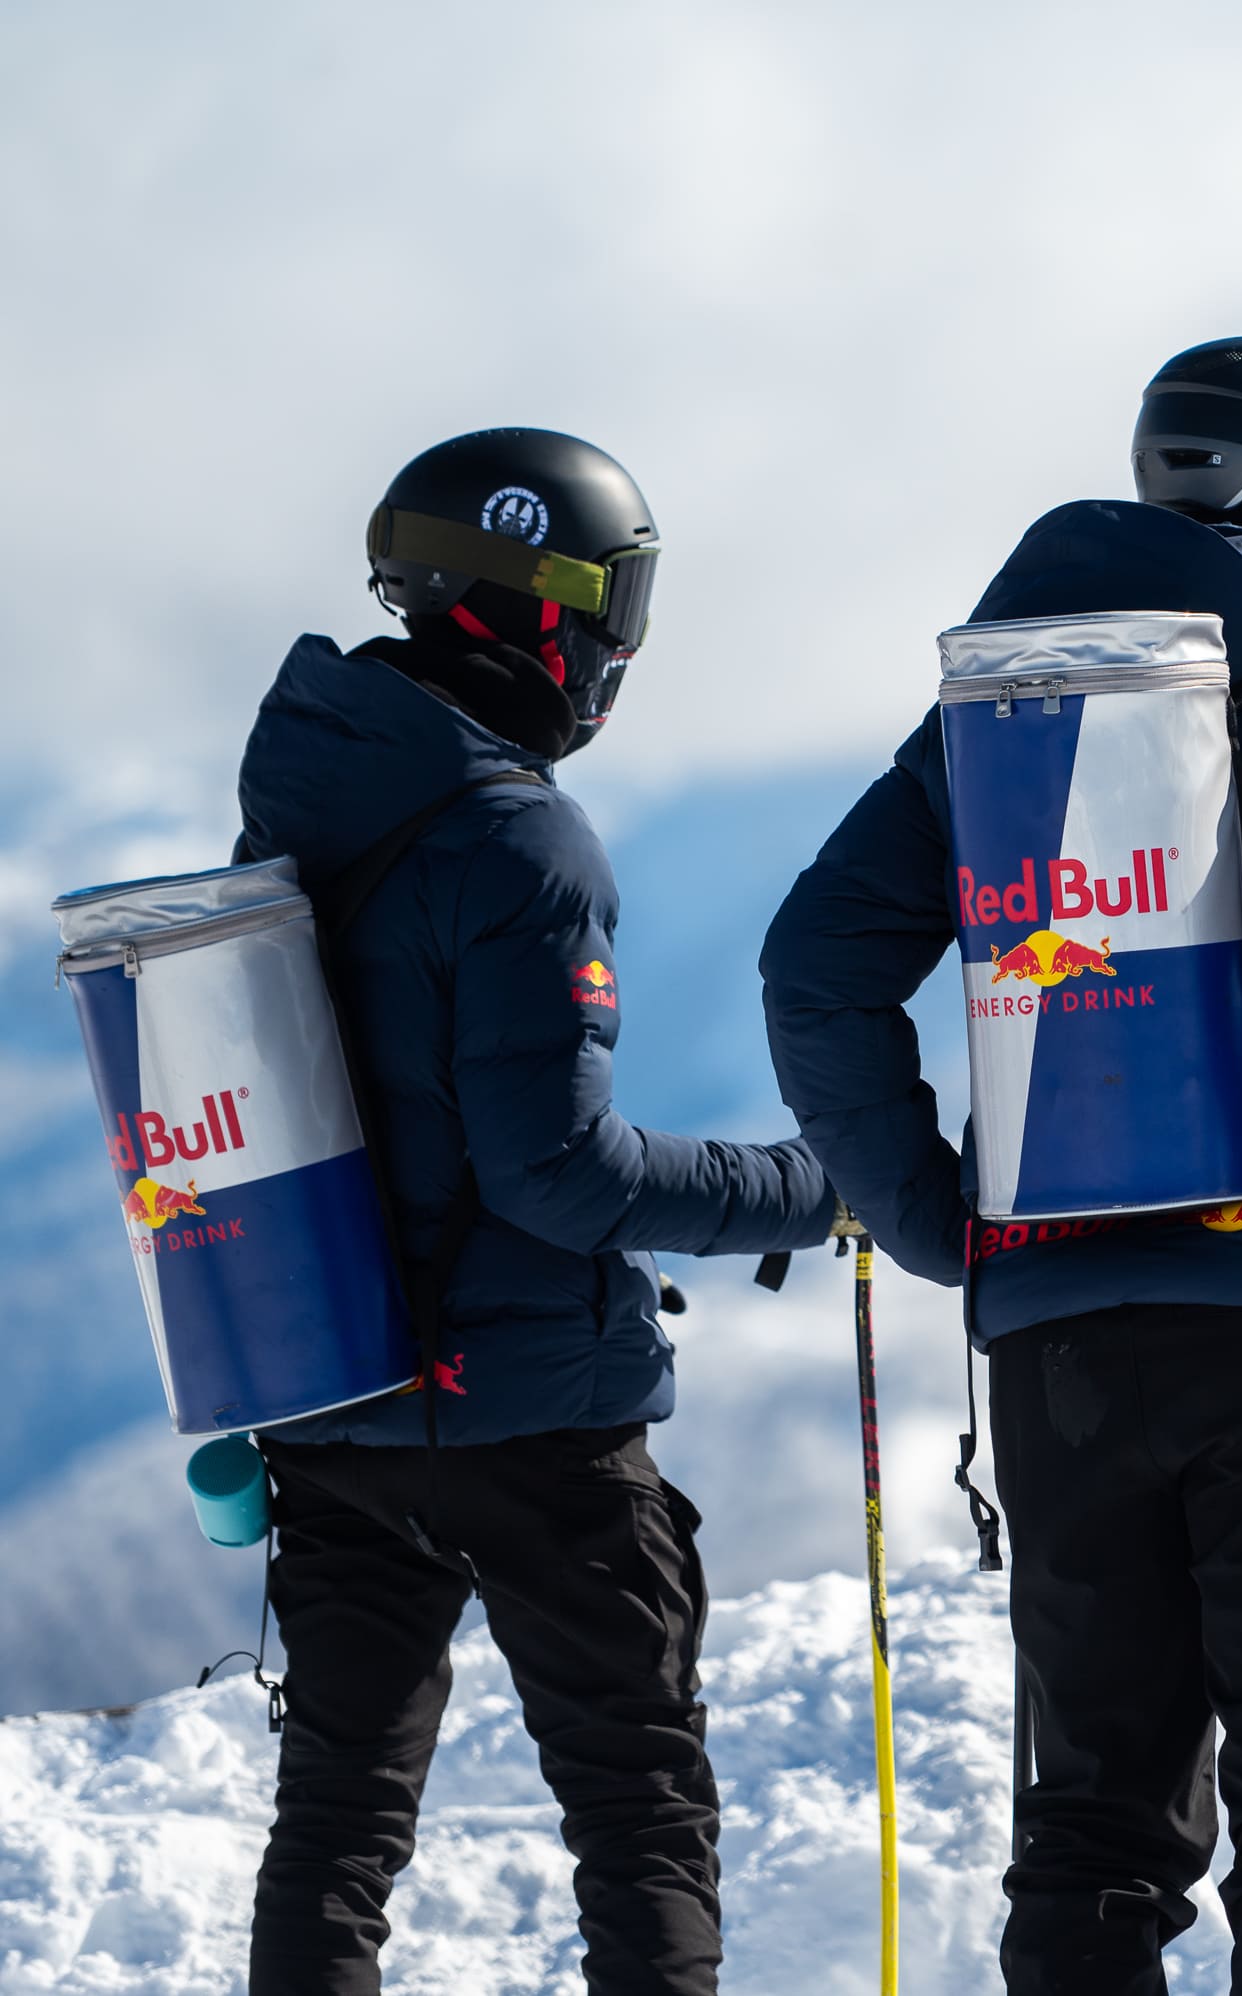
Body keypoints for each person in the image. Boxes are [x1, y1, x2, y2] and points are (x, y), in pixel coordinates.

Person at [760, 335, 1242, 1994]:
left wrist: (947, 1224)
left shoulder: (990, 732)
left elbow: (815, 969)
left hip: (1063, 1344)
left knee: (1096, 1824)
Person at [238, 428, 837, 1996]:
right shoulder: (519, 837)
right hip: (533, 1421)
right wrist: (805, 1188)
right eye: (618, 606)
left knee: (337, 1823)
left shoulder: (306, 801)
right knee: (639, 1814)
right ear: (543, 606)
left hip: (334, 1395)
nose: (624, 648)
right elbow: (559, 1174)